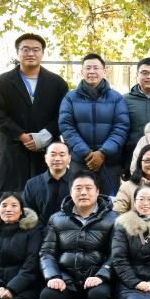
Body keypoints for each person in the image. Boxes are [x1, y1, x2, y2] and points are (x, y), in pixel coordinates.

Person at [37, 172, 118, 299]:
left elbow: (117, 254)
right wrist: (53, 276)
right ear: (71, 192)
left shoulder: (113, 219)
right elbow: (46, 252)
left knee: (99, 296)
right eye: (78, 188)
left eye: (88, 188)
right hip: (67, 281)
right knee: (47, 296)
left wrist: (101, 275)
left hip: (98, 281)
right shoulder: (57, 219)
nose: (83, 193)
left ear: (97, 192)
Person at [0, 33, 69, 194]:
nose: (31, 54)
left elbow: (64, 114)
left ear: (42, 53)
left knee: (50, 195)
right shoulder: (2, 82)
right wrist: (21, 135)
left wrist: (44, 135)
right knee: (13, 198)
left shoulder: (57, 83)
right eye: (25, 49)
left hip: (47, 149)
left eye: (36, 50)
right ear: (17, 52)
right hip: (14, 149)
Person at [58, 53, 130, 194]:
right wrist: (86, 153)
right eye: (88, 68)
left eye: (96, 68)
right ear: (82, 71)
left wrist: (102, 153)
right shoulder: (70, 98)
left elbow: (121, 127)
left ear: (104, 71)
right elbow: (66, 127)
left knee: (109, 202)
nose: (92, 71)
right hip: (80, 161)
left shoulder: (116, 98)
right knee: (81, 199)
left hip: (109, 162)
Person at [20, 142, 73, 226]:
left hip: (71, 231)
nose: (57, 158)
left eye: (62, 155)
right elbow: (27, 213)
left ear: (69, 158)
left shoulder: (79, 182)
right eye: (53, 155)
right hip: (40, 231)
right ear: (46, 158)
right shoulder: (32, 184)